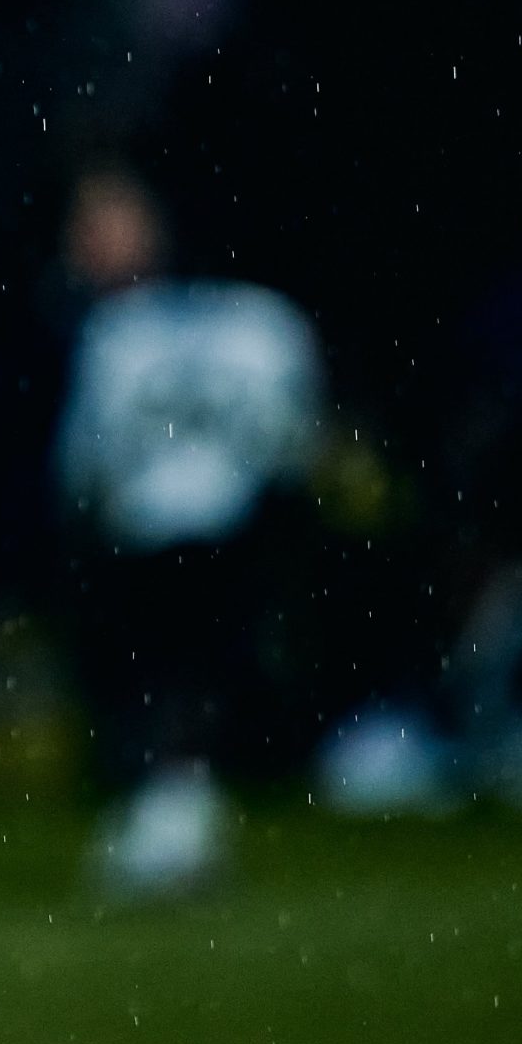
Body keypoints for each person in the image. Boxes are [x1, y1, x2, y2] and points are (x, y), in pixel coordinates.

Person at [53, 178, 324, 896]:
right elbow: (295, 440)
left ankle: (170, 812)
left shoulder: (123, 332)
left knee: (162, 677)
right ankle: (179, 807)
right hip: (233, 524)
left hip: (150, 530)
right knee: (197, 678)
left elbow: (87, 455)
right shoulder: (265, 323)